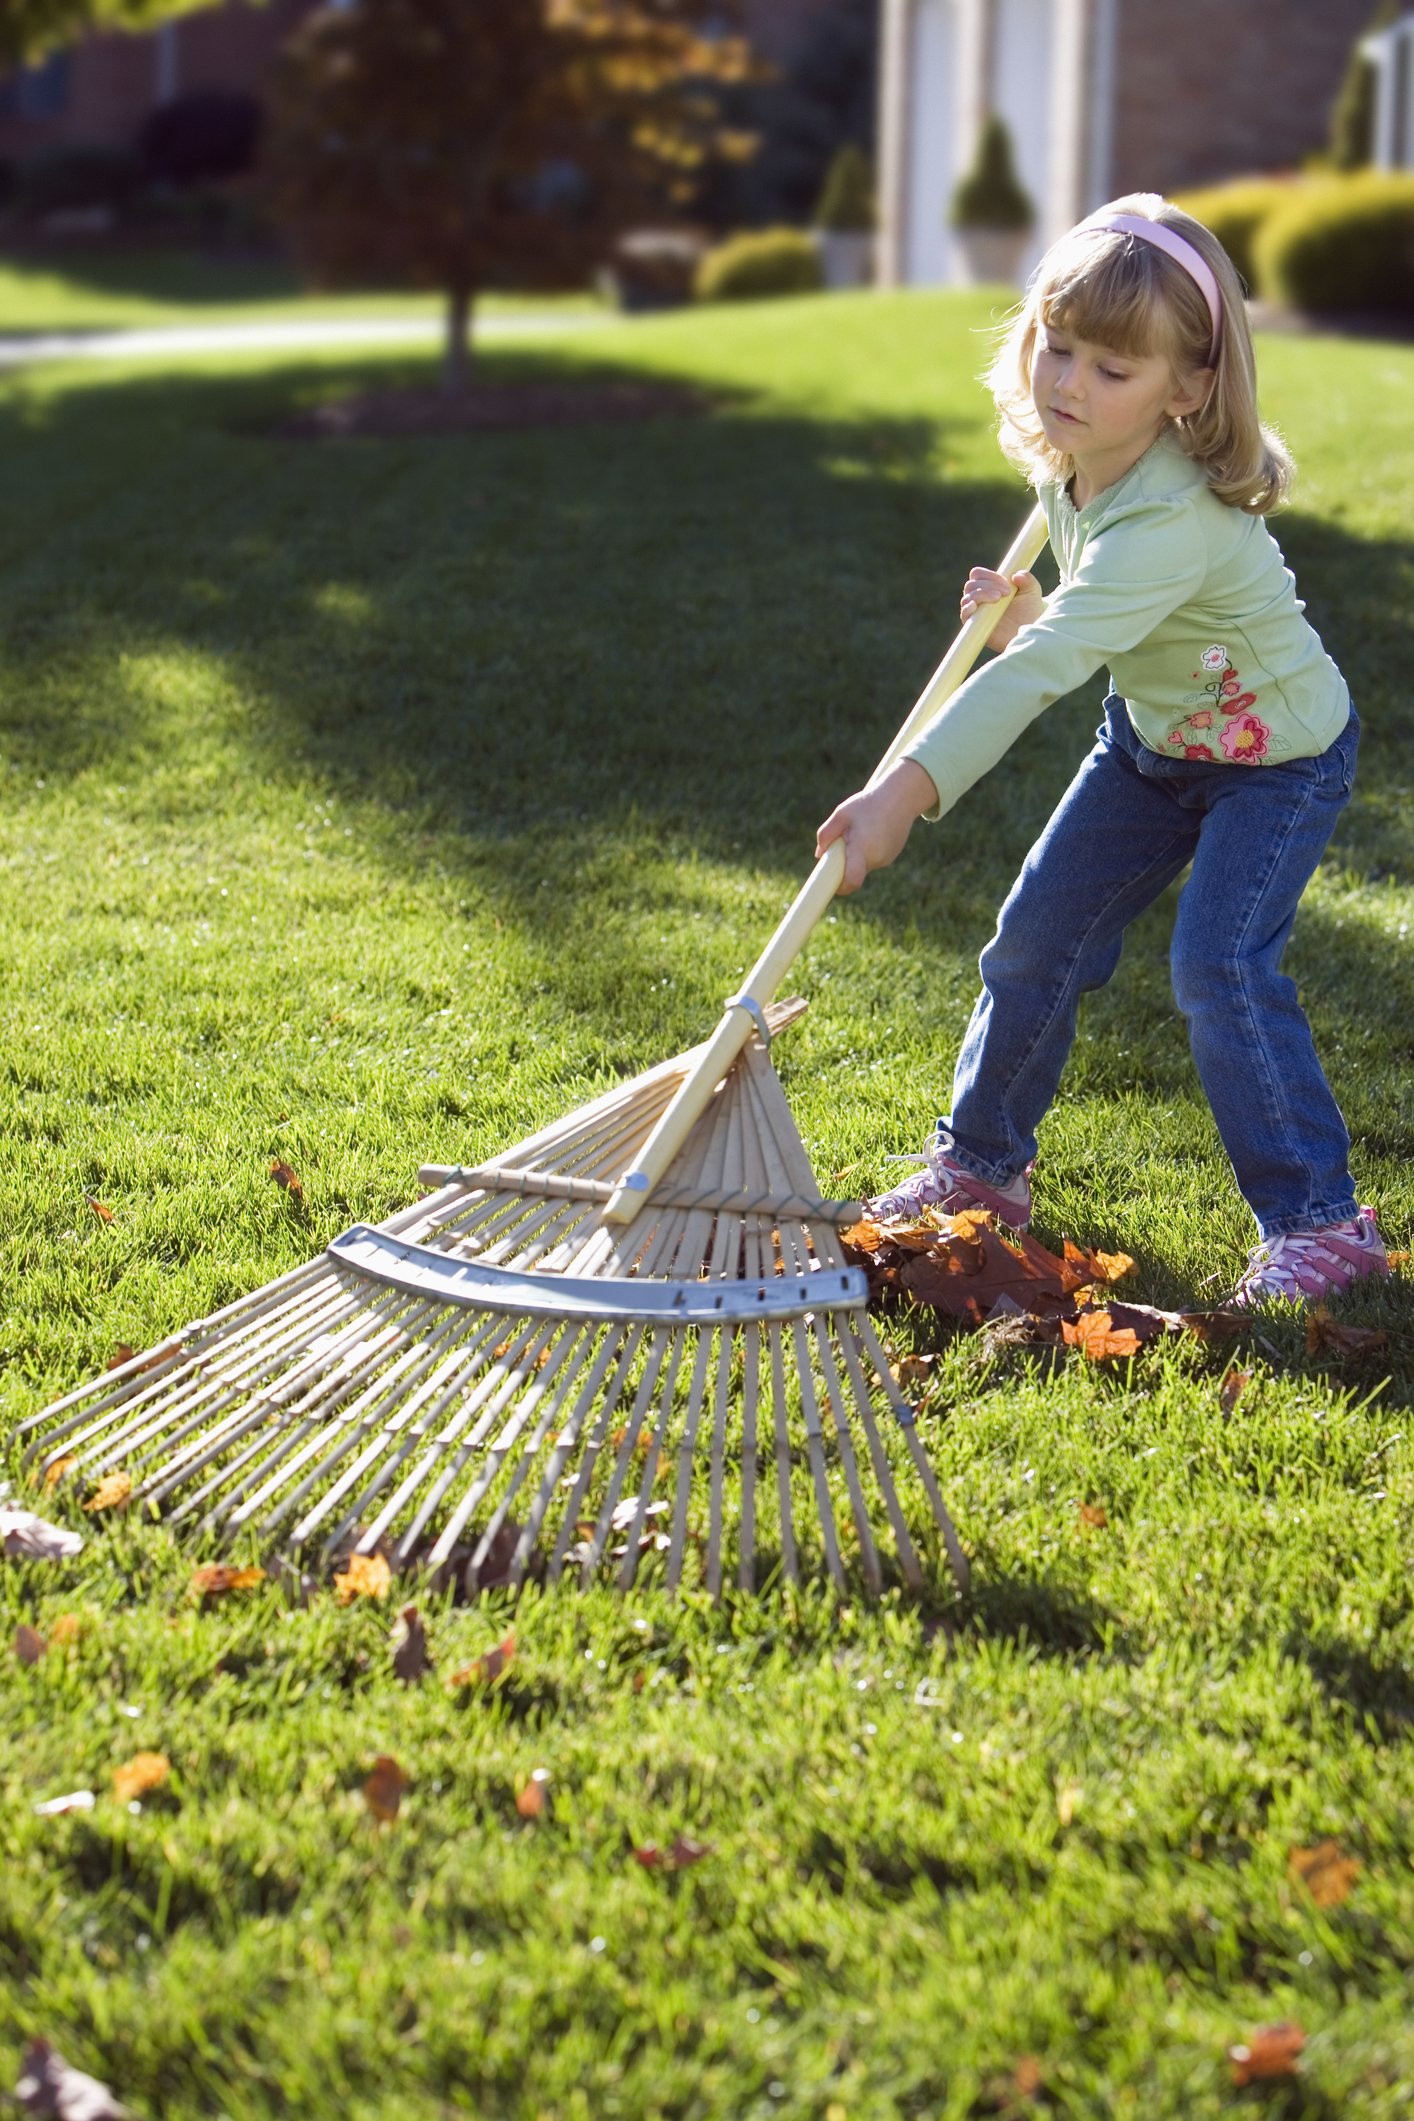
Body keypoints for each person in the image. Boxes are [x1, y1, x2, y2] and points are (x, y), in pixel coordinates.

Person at [815, 194, 1389, 1309]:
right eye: (1056, 347)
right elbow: (1098, 619)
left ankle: (1323, 1224)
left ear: (1187, 389)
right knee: (1034, 939)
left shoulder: (1174, 513)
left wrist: (899, 794)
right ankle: (979, 1167)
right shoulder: (1074, 460)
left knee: (1217, 965)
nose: (1069, 384)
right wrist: (1040, 606)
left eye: (1110, 370)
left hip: (1275, 759)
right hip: (1153, 742)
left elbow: (1048, 670)